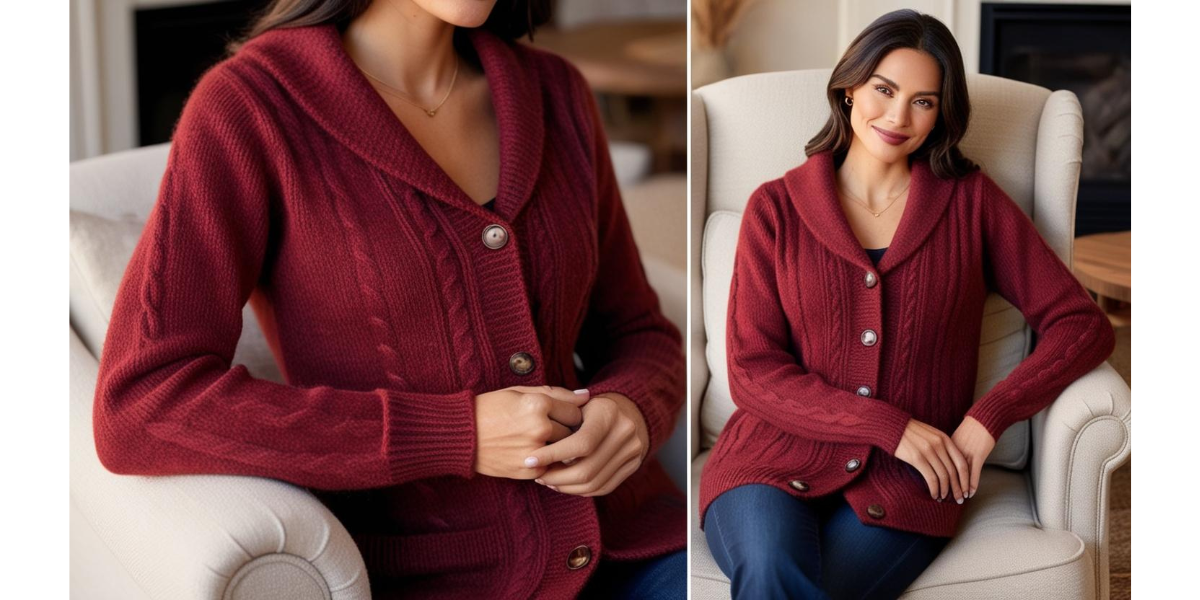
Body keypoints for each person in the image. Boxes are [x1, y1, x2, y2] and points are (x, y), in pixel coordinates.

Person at [90, 1, 686, 598]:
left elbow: (640, 331)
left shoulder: (557, 90)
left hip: (635, 545)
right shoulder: (249, 109)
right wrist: (460, 434)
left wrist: (631, 409)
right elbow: (142, 406)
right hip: (434, 575)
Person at [698, 9, 1115, 599]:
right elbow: (751, 371)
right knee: (769, 568)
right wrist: (888, 427)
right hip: (768, 459)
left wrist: (985, 420)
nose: (897, 117)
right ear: (849, 90)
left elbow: (1081, 327)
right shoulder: (776, 209)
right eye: (884, 90)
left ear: (942, 113)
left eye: (923, 100)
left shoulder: (972, 205)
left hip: (913, 481)